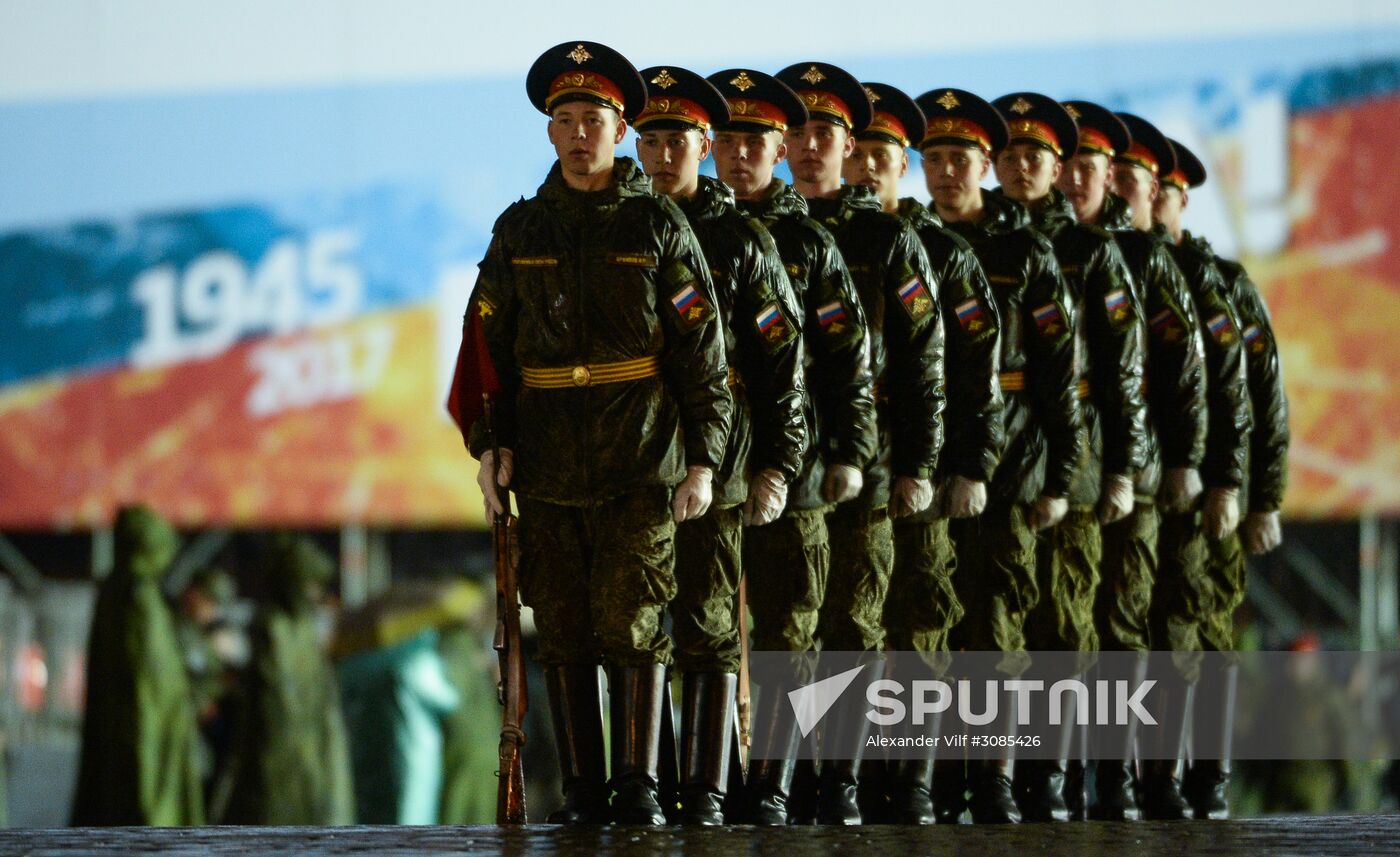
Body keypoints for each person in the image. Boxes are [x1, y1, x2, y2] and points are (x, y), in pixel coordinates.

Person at [450, 41, 732, 826]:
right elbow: (486, 354)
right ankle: (580, 786)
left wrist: (705, 459)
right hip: (544, 467)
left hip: (639, 461)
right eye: (566, 120)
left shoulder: (657, 225)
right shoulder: (519, 231)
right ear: (549, 133)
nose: (580, 134)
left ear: (620, 128)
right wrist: (488, 444)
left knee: (636, 623)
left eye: (595, 120)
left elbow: (703, 356)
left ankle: (637, 784)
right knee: (564, 627)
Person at [633, 64, 807, 825]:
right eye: (652, 139)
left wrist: (779, 460)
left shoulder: (744, 239)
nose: (664, 154)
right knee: (632, 622)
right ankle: (645, 784)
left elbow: (783, 363)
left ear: (696, 148)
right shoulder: (620, 225)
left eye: (678, 140)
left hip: (721, 455)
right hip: (630, 456)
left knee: (706, 620)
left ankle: (706, 788)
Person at [774, 61, 945, 826]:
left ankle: (844, 775)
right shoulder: (760, 234)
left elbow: (924, 362)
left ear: (852, 147)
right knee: (786, 626)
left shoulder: (890, 239)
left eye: (827, 135)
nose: (811, 148)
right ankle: (790, 776)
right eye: (799, 132)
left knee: (856, 622)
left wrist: (919, 461)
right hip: (777, 461)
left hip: (866, 463)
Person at [706, 66, 877, 826]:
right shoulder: (685, 233)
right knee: (701, 630)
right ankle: (705, 784)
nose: (741, 156)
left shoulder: (812, 242)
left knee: (791, 632)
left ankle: (779, 782)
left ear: (774, 151)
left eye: (755, 142)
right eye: (729, 141)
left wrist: (849, 451)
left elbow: (845, 361)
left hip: (794, 471)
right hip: (703, 470)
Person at [914, 87, 1083, 824]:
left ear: (986, 164)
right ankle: (938, 776)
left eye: (962, 158)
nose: (947, 171)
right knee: (930, 622)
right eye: (936, 157)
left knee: (999, 624)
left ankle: (997, 776)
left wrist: (1062, 474)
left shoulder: (1026, 253)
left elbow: (1058, 375)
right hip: (922, 454)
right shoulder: (909, 241)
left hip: (1012, 463)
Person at [988, 91, 1150, 822]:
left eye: (1038, 157)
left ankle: (1057, 775)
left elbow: (1122, 372)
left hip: (1076, 458)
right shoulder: (979, 239)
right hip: (997, 460)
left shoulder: (1094, 254)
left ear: (1058, 167)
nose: (1023, 169)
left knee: (1065, 618)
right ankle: (1002, 770)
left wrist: (1122, 466)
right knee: (996, 624)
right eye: (1012, 156)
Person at [844, 80, 1003, 824]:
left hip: (924, 465)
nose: (868, 168)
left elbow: (972, 373)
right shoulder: (828, 244)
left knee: (921, 621)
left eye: (883, 154)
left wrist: (965, 464)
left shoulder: (942, 254)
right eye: (860, 152)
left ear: (897, 164)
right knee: (852, 622)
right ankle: (862, 777)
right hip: (853, 465)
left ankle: (918, 780)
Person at [71, 504, 205, 826]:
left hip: (119, 741)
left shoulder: (114, 592)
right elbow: (154, 686)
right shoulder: (139, 598)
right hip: (145, 743)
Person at [219, 533, 354, 825]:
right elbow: (274, 702)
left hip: (313, 751)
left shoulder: (303, 626)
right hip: (281, 759)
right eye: (308, 584)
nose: (314, 593)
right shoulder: (273, 627)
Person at [339, 629, 461, 825]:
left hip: (387, 748)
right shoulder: (416, 657)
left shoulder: (371, 660)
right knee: (414, 811)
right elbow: (447, 698)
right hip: (416, 750)